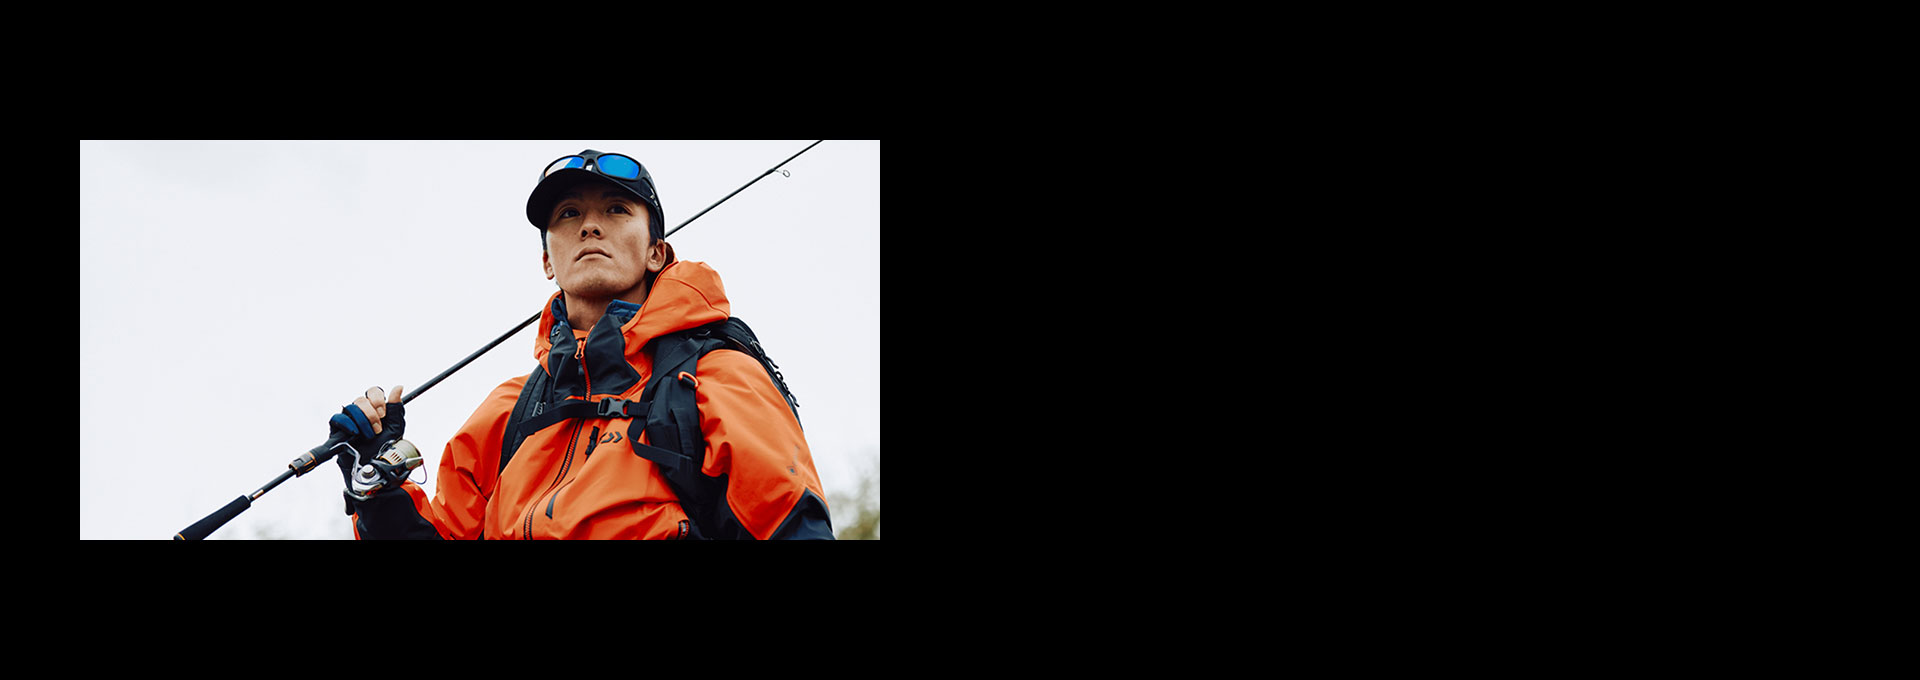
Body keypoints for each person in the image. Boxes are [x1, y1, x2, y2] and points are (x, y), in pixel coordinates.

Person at [331, 148, 832, 539]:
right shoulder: (507, 410)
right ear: (548, 262)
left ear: (657, 253)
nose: (590, 225)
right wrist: (377, 489)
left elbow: (790, 523)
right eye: (568, 213)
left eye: (616, 209)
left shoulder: (716, 373)